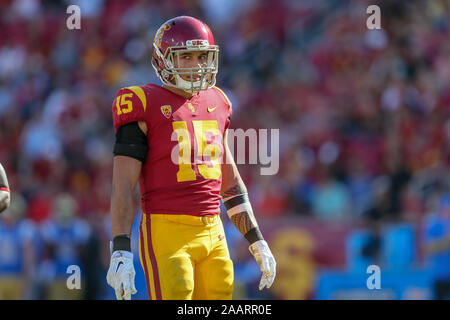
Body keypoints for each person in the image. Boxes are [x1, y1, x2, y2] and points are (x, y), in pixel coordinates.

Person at [106, 15, 276, 300]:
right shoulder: (141, 101)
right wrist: (121, 248)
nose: (196, 66)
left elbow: (230, 185)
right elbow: (122, 186)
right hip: (166, 227)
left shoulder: (218, 101)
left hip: (214, 228)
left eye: (202, 56)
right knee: (178, 289)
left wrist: (256, 240)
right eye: (185, 57)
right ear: (163, 59)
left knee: (222, 290)